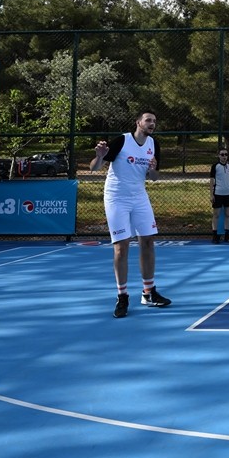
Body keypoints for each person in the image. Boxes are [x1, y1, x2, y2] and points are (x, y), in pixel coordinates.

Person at [90, 110, 171, 318]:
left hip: (139, 196)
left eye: (154, 121)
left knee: (148, 241)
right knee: (121, 247)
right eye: (148, 120)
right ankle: (122, 296)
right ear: (138, 123)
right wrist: (100, 156)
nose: (152, 123)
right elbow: (94, 168)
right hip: (116, 197)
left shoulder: (153, 144)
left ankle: (148, 292)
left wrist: (153, 169)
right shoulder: (122, 141)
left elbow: (154, 177)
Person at [210, 148, 229, 244]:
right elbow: (211, 180)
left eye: (226, 154)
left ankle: (227, 235)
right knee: (216, 214)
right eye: (222, 154)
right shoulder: (215, 166)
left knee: (228, 214)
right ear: (219, 156)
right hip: (218, 193)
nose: (224, 156)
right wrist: (211, 194)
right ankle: (214, 236)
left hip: (228, 193)